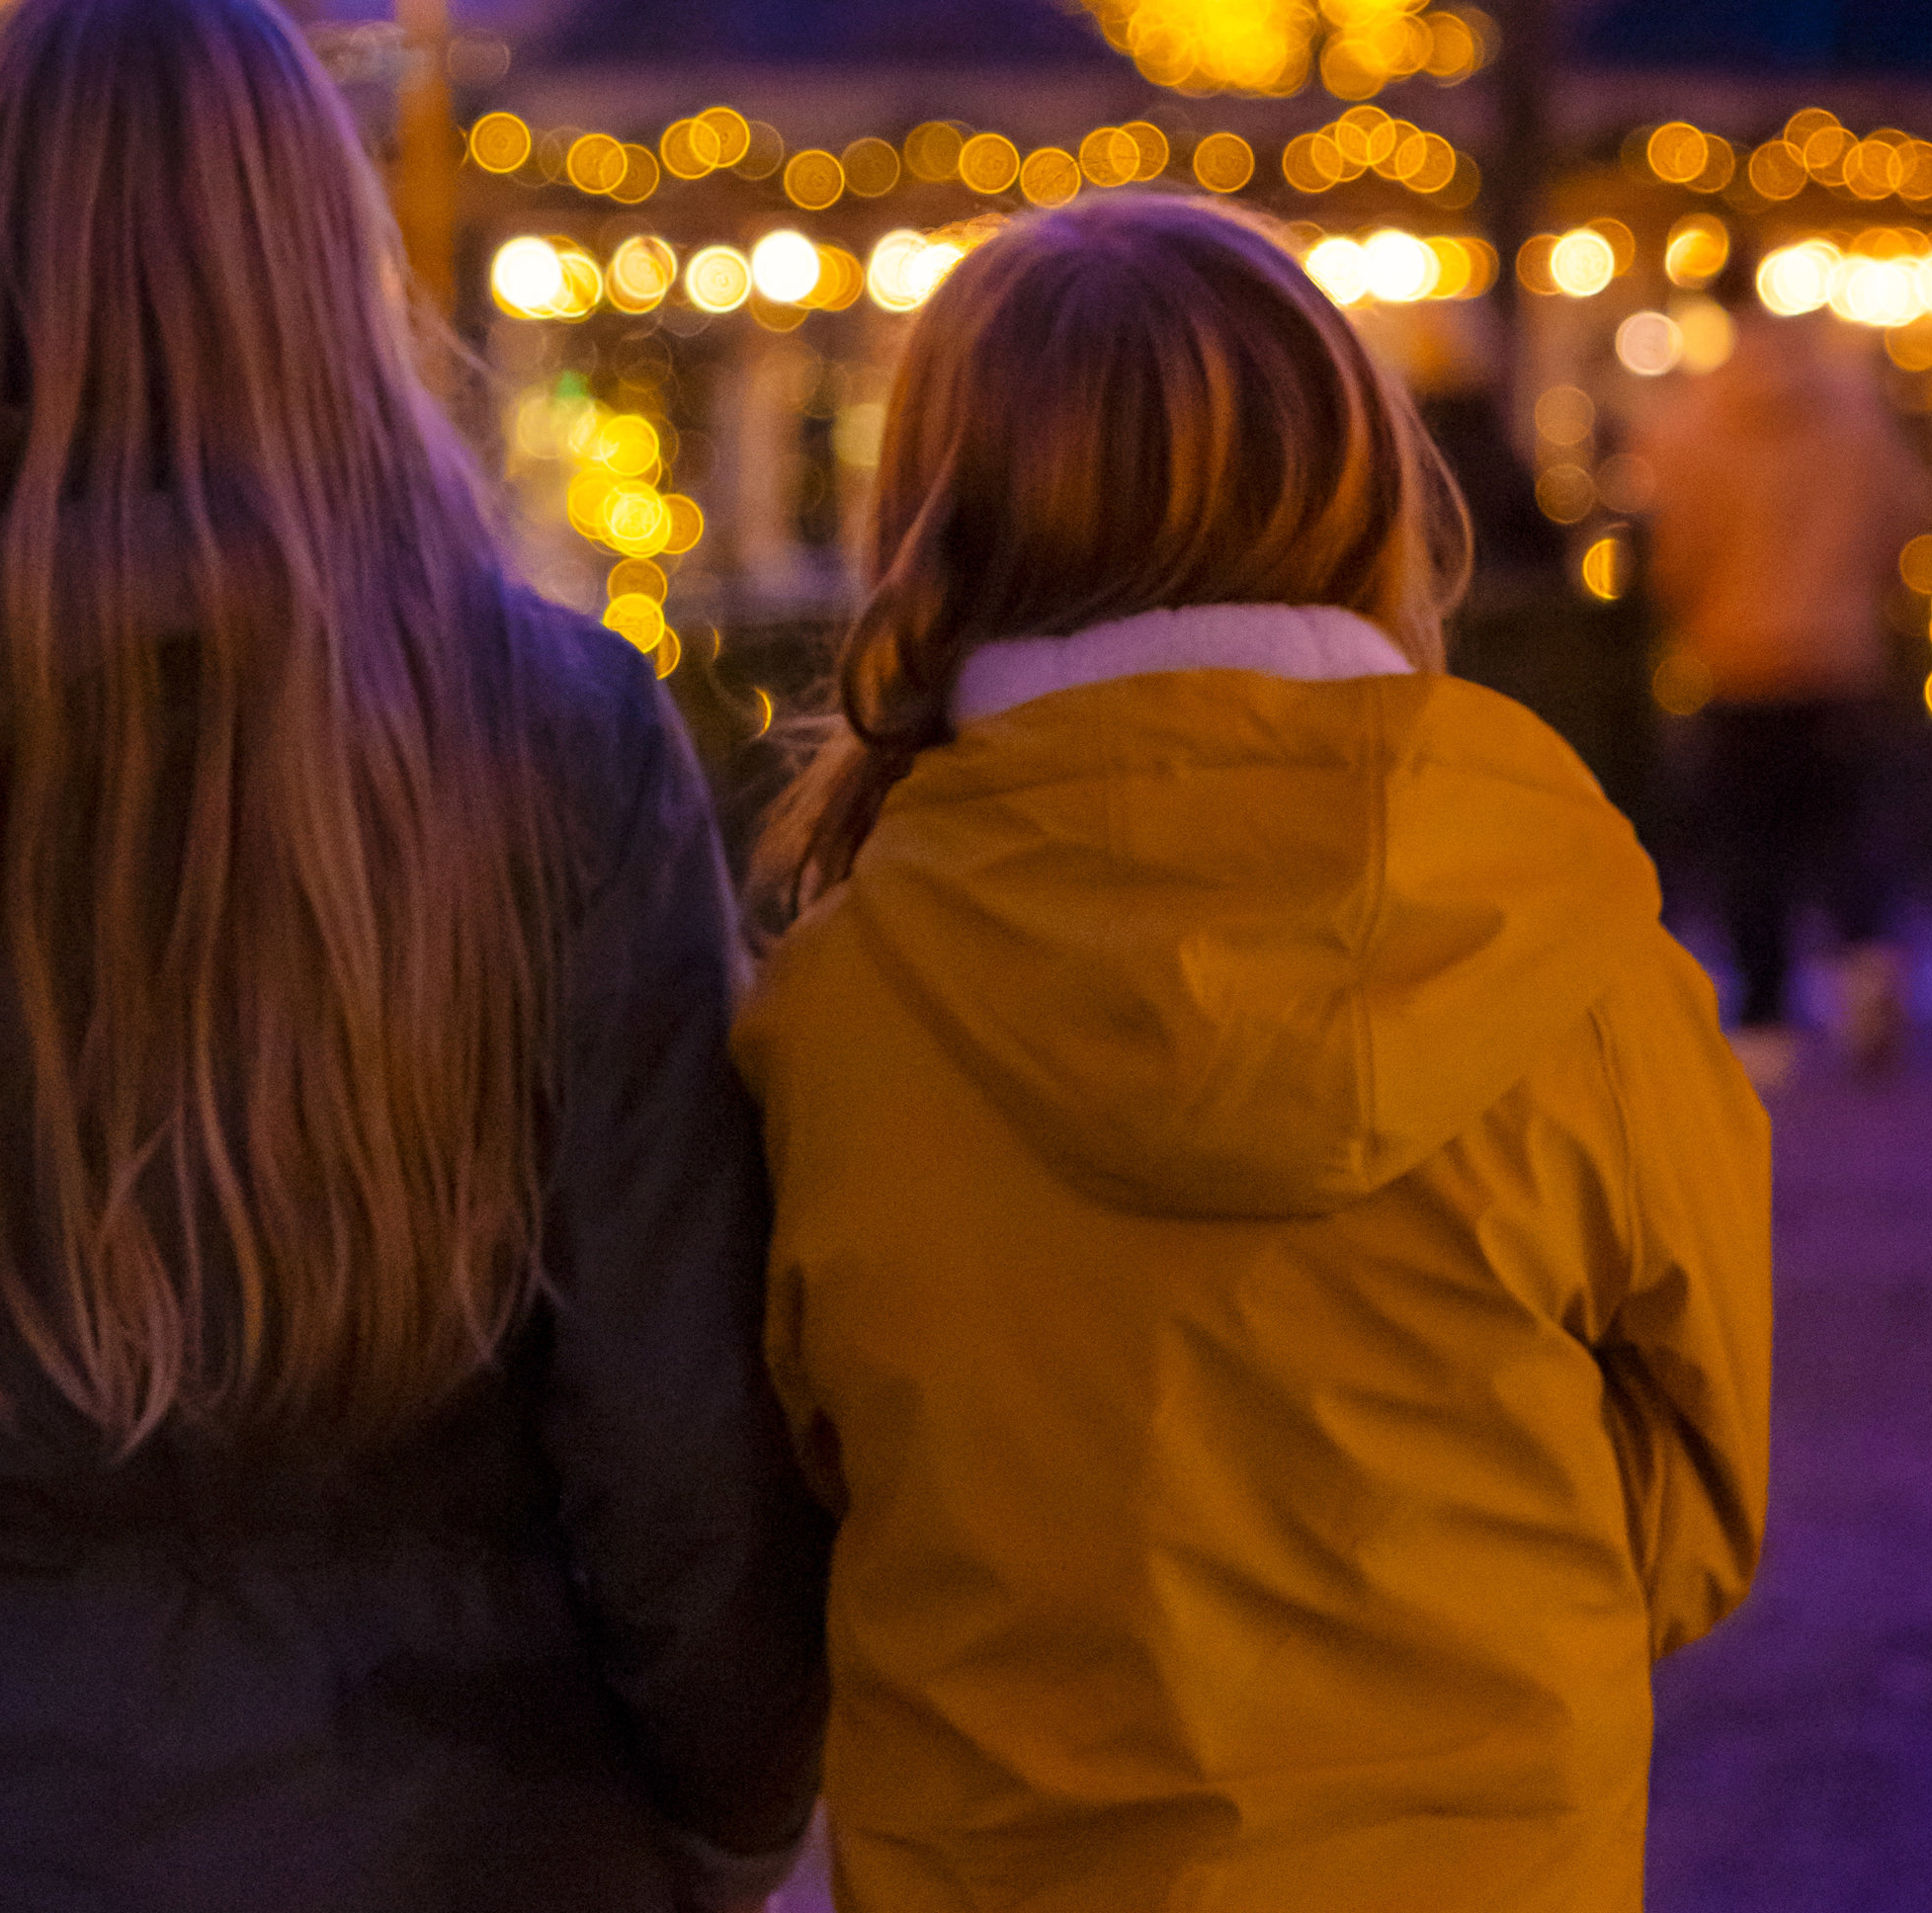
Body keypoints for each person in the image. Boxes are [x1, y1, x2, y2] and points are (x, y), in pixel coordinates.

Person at [0, 0, 829, 1912]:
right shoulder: (546, 747)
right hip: (460, 1820)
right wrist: (721, 1806)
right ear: (323, 276)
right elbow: (675, 1432)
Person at [739, 194, 1768, 1913]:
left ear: (936, 518)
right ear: (1358, 481)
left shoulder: (841, 1009)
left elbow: (809, 1480)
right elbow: (1698, 1484)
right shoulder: (1567, 932)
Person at [1643, 295, 1924, 1085]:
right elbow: (1906, 517)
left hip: (1735, 664)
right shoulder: (1858, 418)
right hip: (1839, 659)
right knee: (1844, 825)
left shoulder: (1687, 427)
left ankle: (1765, 1016)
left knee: (1750, 849)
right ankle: (1864, 953)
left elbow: (1674, 550)